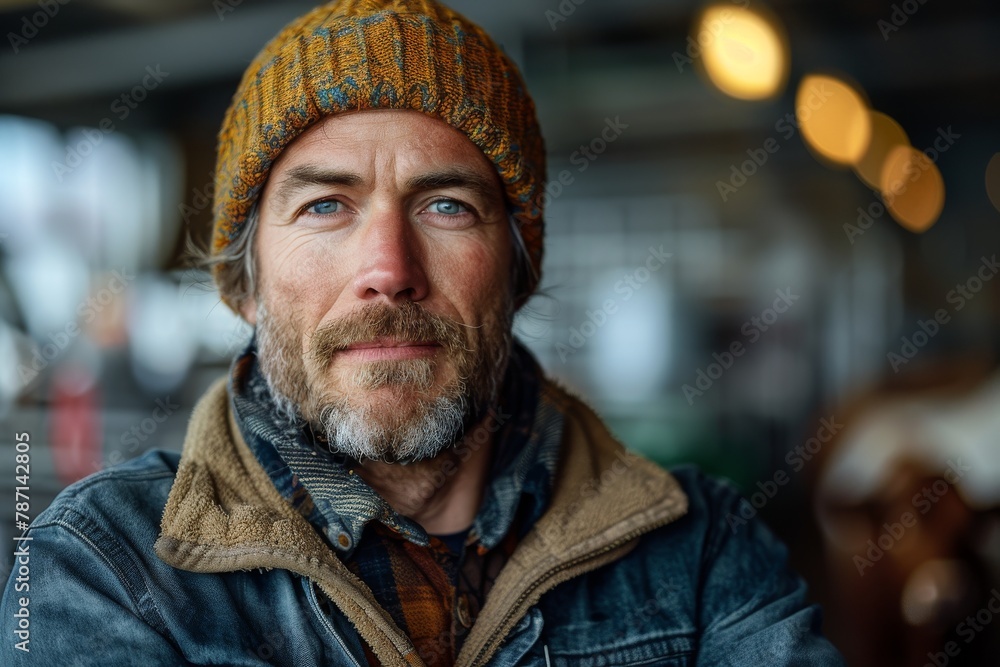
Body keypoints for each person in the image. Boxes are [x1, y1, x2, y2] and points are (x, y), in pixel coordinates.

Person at [1, 1, 845, 664]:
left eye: (446, 205)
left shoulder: (702, 554)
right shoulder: (103, 571)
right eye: (325, 205)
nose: (389, 267)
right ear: (244, 284)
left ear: (517, 269)